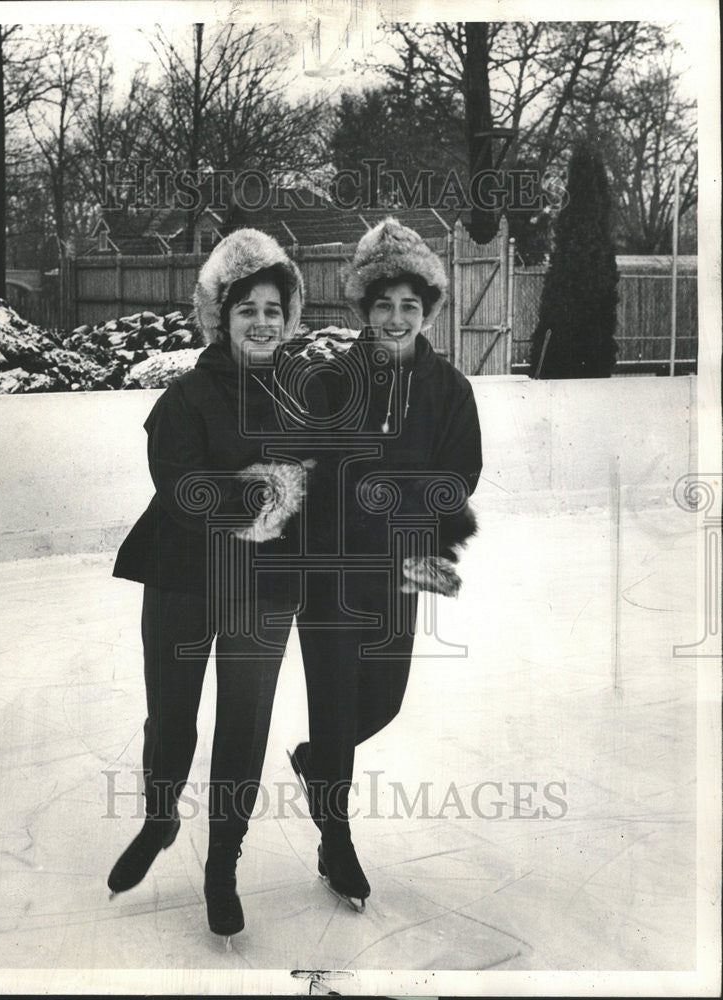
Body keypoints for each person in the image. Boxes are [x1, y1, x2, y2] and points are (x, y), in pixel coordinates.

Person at [108, 228, 320, 944]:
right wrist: (269, 494)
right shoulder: (185, 398)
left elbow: (325, 481)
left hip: (266, 587)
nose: (261, 322)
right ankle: (160, 817)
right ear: (219, 318)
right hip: (182, 576)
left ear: (289, 318)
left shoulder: (309, 395)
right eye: (245, 309)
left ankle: (221, 867)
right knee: (172, 719)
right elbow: (184, 487)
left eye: (273, 309)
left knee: (243, 727)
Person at [286, 217, 483, 909]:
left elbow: (459, 476)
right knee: (336, 708)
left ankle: (313, 763)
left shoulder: (450, 390)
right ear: (363, 310)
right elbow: (314, 474)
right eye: (382, 304)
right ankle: (333, 842)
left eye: (409, 305)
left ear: (426, 311)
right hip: (331, 571)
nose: (396, 317)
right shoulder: (331, 382)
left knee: (383, 699)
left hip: (401, 568)